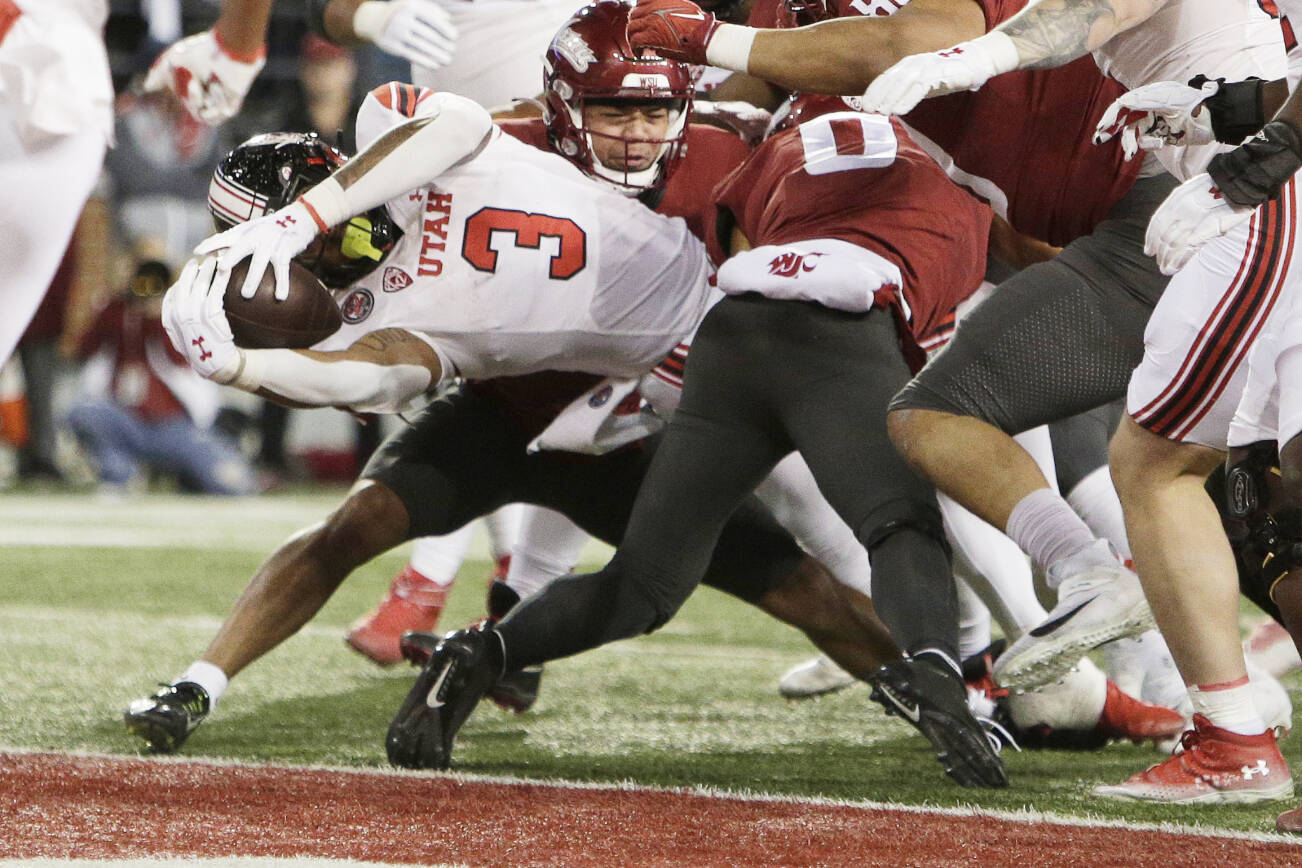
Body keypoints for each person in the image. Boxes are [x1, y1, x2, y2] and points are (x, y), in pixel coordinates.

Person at [124, 3, 897, 755]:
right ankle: (199, 682)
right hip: (503, 414)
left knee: (795, 583)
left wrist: (299, 220)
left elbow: (456, 124)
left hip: (618, 418)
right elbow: (376, 380)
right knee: (347, 531)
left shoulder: (406, 144)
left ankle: (948, 692)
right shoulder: (349, 314)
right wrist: (240, 365)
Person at [385, 83, 1021, 787]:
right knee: (900, 523)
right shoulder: (966, 195)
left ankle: (481, 653)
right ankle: (941, 677)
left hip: (728, 340)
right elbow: (921, 354)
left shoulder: (774, 150)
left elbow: (730, 255)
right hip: (843, 335)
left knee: (645, 584)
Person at [860, 0, 1293, 805]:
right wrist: (1214, 110)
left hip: (1264, 199)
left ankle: (1231, 731)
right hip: (1248, 187)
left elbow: (1081, 15)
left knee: (1175, 468)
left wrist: (969, 61)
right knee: (1229, 481)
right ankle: (1230, 732)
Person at [68, 259, 256, 496]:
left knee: (232, 485)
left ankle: (195, 479)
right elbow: (82, 348)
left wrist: (161, 314)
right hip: (125, 418)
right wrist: (118, 301)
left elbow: (181, 358)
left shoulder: (182, 313)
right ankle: (119, 475)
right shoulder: (116, 311)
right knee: (84, 412)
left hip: (173, 424)